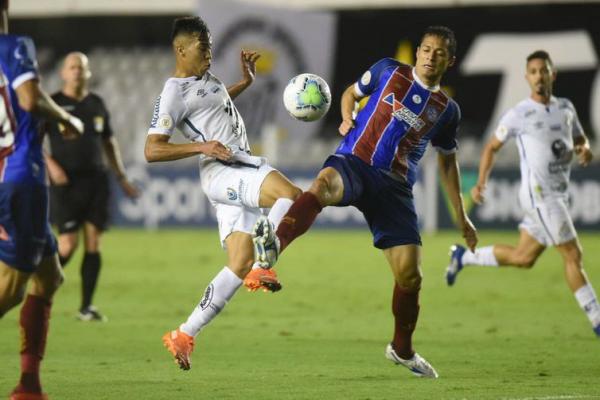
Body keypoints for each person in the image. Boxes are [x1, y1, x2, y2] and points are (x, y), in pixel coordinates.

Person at [253, 26, 478, 378]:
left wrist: (461, 216)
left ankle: (402, 350)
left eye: (440, 53)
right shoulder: (389, 70)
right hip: (355, 161)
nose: (431, 56)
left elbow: (448, 162)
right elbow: (350, 93)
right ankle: (271, 252)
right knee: (323, 185)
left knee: (410, 276)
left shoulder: (447, 111)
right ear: (417, 51)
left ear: (450, 61)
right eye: (427, 49)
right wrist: (346, 116)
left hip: (394, 188)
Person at [144, 16, 302, 370]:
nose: (210, 54)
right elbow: (152, 150)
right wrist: (202, 148)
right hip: (226, 168)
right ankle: (267, 262)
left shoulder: (205, 80)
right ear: (180, 49)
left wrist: (244, 83)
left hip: (227, 172)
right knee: (291, 195)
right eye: (203, 48)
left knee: (237, 263)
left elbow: (212, 103)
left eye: (211, 47)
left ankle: (184, 334)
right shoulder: (173, 92)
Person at [445, 50, 600, 336]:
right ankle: (597, 319)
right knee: (572, 255)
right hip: (541, 196)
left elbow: (579, 138)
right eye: (533, 71)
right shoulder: (520, 113)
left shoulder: (565, 108)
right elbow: (492, 146)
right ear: (527, 77)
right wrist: (481, 182)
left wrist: (584, 148)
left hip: (557, 194)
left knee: (523, 258)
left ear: (553, 74)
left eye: (544, 70)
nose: (539, 76)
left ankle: (462, 257)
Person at [0, 1, 84, 399]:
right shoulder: (13, 45)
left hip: (9, 179)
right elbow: (30, 99)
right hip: (22, 181)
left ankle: (28, 386)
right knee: (11, 289)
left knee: (49, 277)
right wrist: (66, 118)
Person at [44, 51, 139, 322]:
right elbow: (34, 142)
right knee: (67, 245)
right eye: (72, 67)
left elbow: (109, 142)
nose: (76, 71)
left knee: (94, 243)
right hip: (66, 183)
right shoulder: (52, 103)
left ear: (87, 74)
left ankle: (86, 307)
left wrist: (121, 177)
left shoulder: (96, 103)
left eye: (81, 67)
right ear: (63, 73)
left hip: (96, 180)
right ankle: (40, 288)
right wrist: (52, 167)